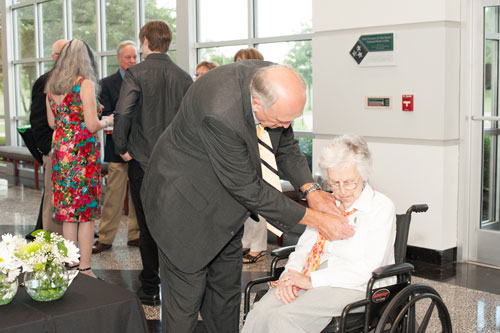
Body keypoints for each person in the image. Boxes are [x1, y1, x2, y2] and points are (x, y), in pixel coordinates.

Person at [141, 61, 354, 333]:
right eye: (281, 120)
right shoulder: (219, 112)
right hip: (184, 206)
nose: (286, 126)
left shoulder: (270, 81)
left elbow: (286, 145)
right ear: (256, 104)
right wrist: (317, 219)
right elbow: (250, 189)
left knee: (225, 295)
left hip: (226, 208)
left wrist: (311, 190)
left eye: (291, 119)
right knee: (185, 305)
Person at [242, 135, 397, 333]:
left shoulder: (380, 207)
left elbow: (368, 269)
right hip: (315, 274)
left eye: (349, 182)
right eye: (334, 183)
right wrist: (291, 275)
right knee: (262, 311)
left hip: (355, 284)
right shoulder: (327, 202)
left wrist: (310, 281)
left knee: (285, 317)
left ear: (364, 174)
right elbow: (305, 247)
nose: (342, 191)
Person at [113, 20, 193, 305]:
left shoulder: (135, 73)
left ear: (145, 41)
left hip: (143, 162)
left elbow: (123, 113)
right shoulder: (184, 78)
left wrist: (121, 147)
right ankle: (178, 286)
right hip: (177, 165)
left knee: (147, 227)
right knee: (175, 225)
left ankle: (149, 288)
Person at [45, 39, 113, 278]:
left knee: (67, 213)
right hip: (82, 157)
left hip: (62, 153)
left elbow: (53, 123)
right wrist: (108, 120)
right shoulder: (84, 85)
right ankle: (84, 268)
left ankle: (70, 264)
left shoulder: (51, 86)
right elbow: (92, 124)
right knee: (86, 214)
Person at [92, 41, 140, 254]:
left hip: (139, 148)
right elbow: (103, 115)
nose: (132, 61)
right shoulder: (106, 84)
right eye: (128, 57)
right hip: (116, 148)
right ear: (119, 58)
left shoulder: (142, 79)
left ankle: (135, 235)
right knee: (114, 196)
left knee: (138, 195)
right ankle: (105, 237)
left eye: (135, 57)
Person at [28, 39, 68, 236]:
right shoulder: (45, 82)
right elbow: (38, 120)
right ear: (54, 57)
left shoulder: (80, 81)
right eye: (63, 53)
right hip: (54, 149)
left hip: (74, 154)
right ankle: (50, 245)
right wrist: (47, 149)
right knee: (52, 200)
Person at [233, 47, 269, 264]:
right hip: (243, 151)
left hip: (261, 151)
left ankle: (259, 247)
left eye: (242, 62)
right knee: (244, 199)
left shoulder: (264, 93)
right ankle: (246, 242)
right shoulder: (238, 92)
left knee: (259, 200)